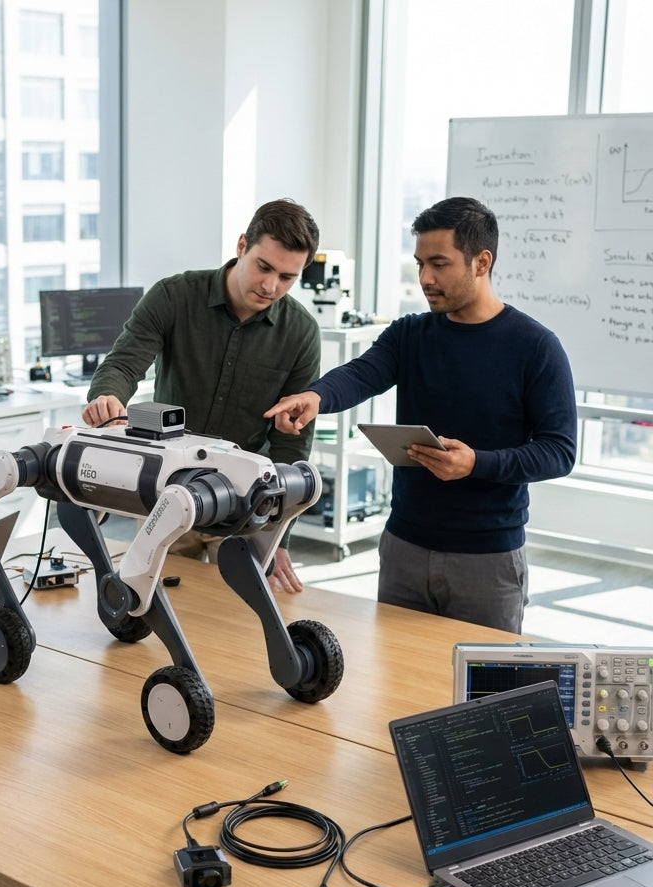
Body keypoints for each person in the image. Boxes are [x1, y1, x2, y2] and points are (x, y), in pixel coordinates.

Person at [264, 196, 577, 633]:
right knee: (395, 674)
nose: (425, 278)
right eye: (420, 264)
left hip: (487, 560)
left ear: (481, 262)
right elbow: (361, 374)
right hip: (403, 548)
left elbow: (559, 451)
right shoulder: (410, 334)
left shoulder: (536, 347)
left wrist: (476, 463)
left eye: (439, 264)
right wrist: (315, 397)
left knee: (478, 679)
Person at [82, 198, 322, 593]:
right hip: (167, 492)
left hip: (246, 502)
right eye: (264, 267)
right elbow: (123, 363)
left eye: (287, 277)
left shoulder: (301, 332)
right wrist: (107, 396)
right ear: (242, 245)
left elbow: (292, 444)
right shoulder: (174, 296)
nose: (270, 286)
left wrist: (278, 534)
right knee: (155, 603)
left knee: (237, 617)